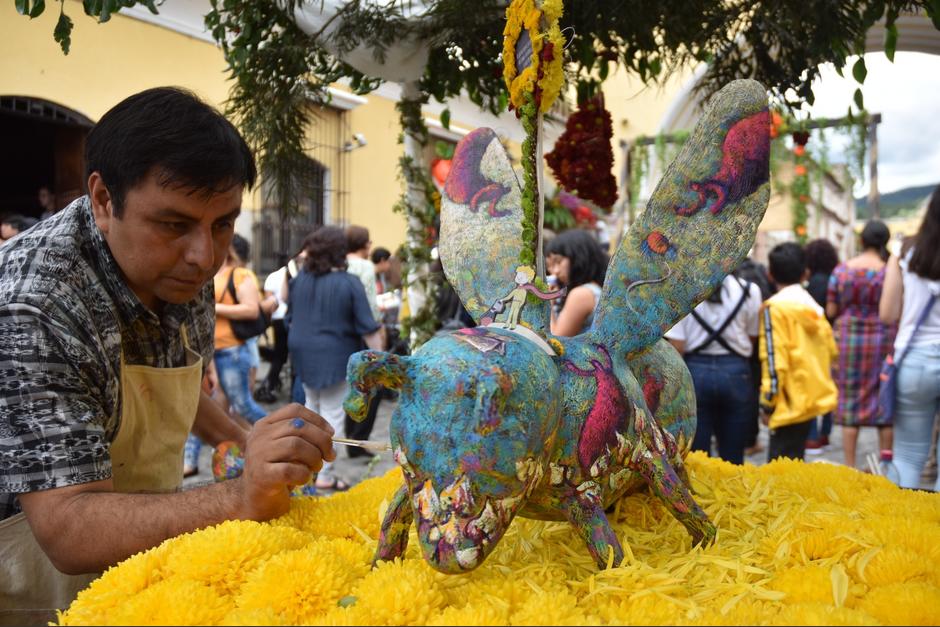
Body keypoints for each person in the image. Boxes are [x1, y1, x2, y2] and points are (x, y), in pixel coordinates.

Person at [0, 87, 335, 615]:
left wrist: (257, 450)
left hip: (135, 563)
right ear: (105, 201)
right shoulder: (34, 304)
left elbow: (173, 390)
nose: (205, 257)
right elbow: (65, 529)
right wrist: (237, 496)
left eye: (223, 222)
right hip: (31, 573)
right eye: (174, 225)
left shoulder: (186, 265)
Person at [287, 226, 382, 491]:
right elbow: (369, 328)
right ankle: (326, 473)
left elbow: (290, 311)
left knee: (311, 408)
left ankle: (308, 468)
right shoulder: (349, 283)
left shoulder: (300, 279)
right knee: (331, 417)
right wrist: (379, 362)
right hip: (334, 355)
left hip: (302, 353)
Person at [879, 185, 940, 490]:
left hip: (914, 361)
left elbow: (887, 313)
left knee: (909, 456)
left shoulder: (905, 252)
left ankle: (906, 533)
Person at [666, 271, 762, 464]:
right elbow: (752, 336)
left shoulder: (681, 291)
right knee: (734, 456)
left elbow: (678, 346)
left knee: (697, 458)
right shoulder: (750, 290)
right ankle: (734, 493)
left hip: (695, 372)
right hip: (736, 371)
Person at [826, 220, 897, 469]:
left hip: (849, 339)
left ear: (862, 241)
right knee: (884, 400)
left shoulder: (842, 270)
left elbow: (831, 309)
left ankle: (849, 465)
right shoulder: (889, 271)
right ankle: (886, 467)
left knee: (849, 399)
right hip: (882, 338)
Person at [758, 243, 838, 462]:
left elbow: (774, 360)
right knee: (795, 463)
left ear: (770, 274)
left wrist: (767, 403)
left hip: (786, 402)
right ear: (805, 272)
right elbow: (830, 350)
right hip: (810, 398)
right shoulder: (813, 307)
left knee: (778, 474)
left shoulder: (774, 308)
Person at [343, 226, 384, 456]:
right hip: (364, 334)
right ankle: (358, 439)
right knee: (371, 387)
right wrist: (378, 328)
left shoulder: (340, 263)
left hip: (344, 333)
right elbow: (369, 304)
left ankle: (349, 437)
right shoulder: (365, 267)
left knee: (351, 385)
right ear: (364, 244)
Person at [734, 256, 776, 456]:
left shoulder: (733, 282)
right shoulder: (756, 282)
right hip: (753, 346)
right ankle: (750, 440)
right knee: (750, 395)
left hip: (733, 349)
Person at [803, 238, 840, 453]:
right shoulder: (833, 279)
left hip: (817, 340)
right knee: (827, 383)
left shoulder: (815, 283)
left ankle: (813, 436)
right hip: (832, 337)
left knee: (814, 385)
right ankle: (825, 432)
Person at [545, 229, 608, 336]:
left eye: (558, 262)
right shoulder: (594, 288)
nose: (555, 271)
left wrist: (547, 302)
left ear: (579, 257)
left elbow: (555, 341)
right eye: (549, 266)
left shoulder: (581, 294)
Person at [254, 253, 295, 404]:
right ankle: (273, 384)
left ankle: (271, 384)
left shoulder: (272, 276)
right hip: (292, 318)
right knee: (290, 357)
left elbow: (268, 301)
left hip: (277, 319)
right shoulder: (296, 274)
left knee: (279, 355)